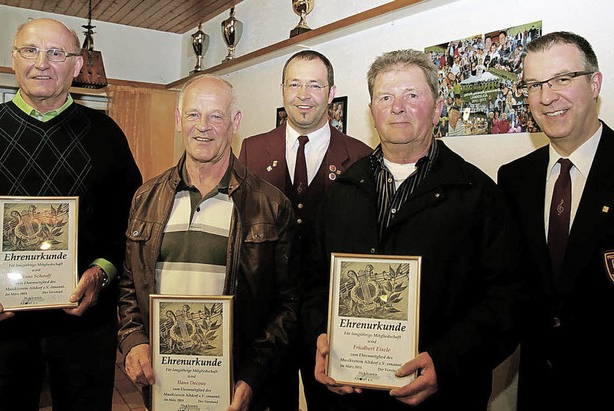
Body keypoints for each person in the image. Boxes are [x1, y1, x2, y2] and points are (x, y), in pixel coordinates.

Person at [301, 49, 525, 410]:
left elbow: (507, 298)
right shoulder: (341, 192)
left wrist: (447, 361)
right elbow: (314, 286)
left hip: (444, 399)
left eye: (412, 96)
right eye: (386, 97)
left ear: (437, 108)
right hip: (350, 399)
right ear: (372, 110)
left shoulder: (477, 194)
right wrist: (320, 338)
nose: (397, 107)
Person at [0, 18, 142, 411]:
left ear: (78, 65)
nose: (42, 63)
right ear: (13, 59)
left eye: (56, 53)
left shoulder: (106, 134)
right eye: (30, 51)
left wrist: (102, 272)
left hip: (83, 329)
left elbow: (130, 223)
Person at [117, 74, 299, 411]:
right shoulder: (145, 198)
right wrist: (133, 341)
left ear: (235, 123)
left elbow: (287, 305)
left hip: (233, 384)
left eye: (216, 116)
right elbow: (129, 285)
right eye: (193, 115)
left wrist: (252, 375)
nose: (204, 126)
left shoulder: (271, 206)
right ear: (177, 120)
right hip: (163, 382)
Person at [238, 50, 371, 410]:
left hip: (329, 316)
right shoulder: (252, 149)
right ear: (282, 90)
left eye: (314, 85)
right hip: (268, 315)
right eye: (294, 84)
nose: (303, 94)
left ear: (331, 91)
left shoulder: (361, 157)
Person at [497, 31, 614, 410]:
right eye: (534, 85)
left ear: (594, 83)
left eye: (563, 79)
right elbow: (508, 285)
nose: (547, 97)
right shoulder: (513, 178)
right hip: (538, 389)